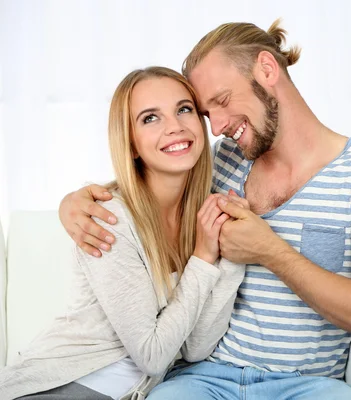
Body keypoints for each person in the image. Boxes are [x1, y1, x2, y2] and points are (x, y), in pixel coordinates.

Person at [59, 20, 351, 399]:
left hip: (309, 385)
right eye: (205, 112)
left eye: (223, 101)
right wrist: (74, 201)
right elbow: (148, 185)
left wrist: (270, 250)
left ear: (266, 69)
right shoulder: (224, 161)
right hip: (202, 378)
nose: (217, 127)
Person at [0, 67, 245, 400]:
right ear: (131, 144)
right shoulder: (109, 217)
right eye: (150, 118)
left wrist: (232, 255)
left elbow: (196, 348)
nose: (175, 126)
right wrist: (203, 259)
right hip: (61, 388)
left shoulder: (200, 220)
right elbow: (153, 356)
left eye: (184, 109)